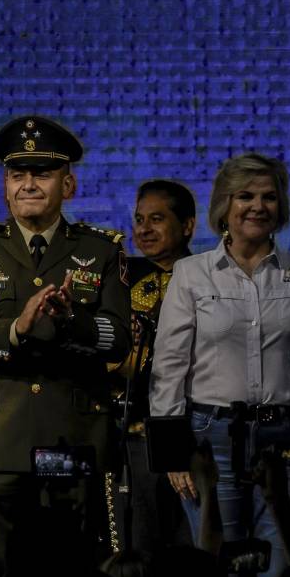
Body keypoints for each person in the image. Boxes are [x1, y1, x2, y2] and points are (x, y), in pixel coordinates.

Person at [0, 116, 130, 577]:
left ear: (68, 183)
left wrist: (73, 323)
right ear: (5, 186)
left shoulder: (100, 249)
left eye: (41, 175)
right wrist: (15, 328)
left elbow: (119, 338)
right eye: (17, 175)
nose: (28, 185)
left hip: (74, 432)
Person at [150, 153, 290, 577]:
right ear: (225, 205)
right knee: (216, 576)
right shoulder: (190, 274)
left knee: (280, 575)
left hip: (289, 441)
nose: (258, 206)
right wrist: (171, 453)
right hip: (209, 442)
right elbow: (168, 368)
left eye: (269, 197)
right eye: (246, 196)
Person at [119, 179, 198, 550]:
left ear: (188, 226)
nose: (143, 230)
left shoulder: (209, 278)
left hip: (193, 435)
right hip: (132, 438)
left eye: (156, 219)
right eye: (138, 220)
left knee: (192, 545)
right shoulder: (118, 280)